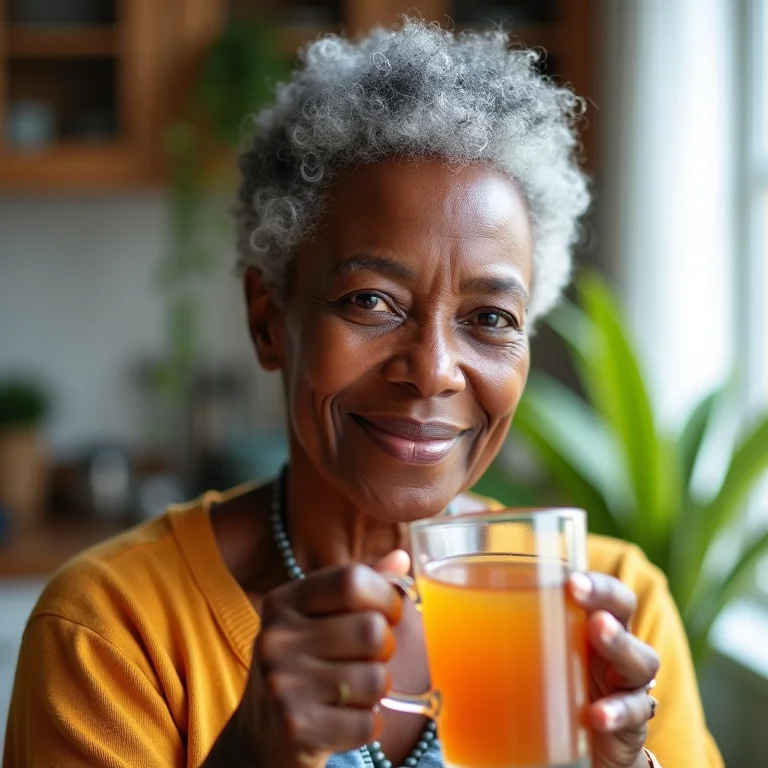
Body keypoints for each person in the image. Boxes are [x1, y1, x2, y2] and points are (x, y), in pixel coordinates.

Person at [4, 18, 722, 768]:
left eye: (489, 318)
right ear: (267, 321)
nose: (435, 368)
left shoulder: (611, 603)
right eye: (370, 301)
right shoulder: (115, 630)